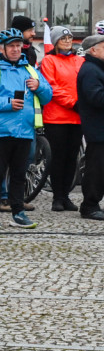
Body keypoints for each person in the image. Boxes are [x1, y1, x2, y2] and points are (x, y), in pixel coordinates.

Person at [0, 28, 53, 230]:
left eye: (18, 45)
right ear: (2, 48)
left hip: (25, 132)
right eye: (12, 46)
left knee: (19, 175)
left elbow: (48, 96)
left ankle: (18, 213)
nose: (16, 49)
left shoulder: (31, 70)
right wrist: (7, 103)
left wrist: (40, 86)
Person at [38, 25, 82, 212]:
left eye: (69, 38)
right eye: (63, 39)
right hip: (56, 117)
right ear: (55, 42)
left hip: (77, 117)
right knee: (58, 158)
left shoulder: (79, 61)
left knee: (72, 158)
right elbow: (52, 87)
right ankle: (57, 197)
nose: (67, 41)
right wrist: (73, 102)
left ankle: (66, 196)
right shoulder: (49, 61)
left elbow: (85, 83)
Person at [76, 34, 104, 221]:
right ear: (93, 49)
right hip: (98, 129)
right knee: (96, 169)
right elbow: (96, 98)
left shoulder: (97, 68)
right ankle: (89, 205)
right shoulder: (91, 70)